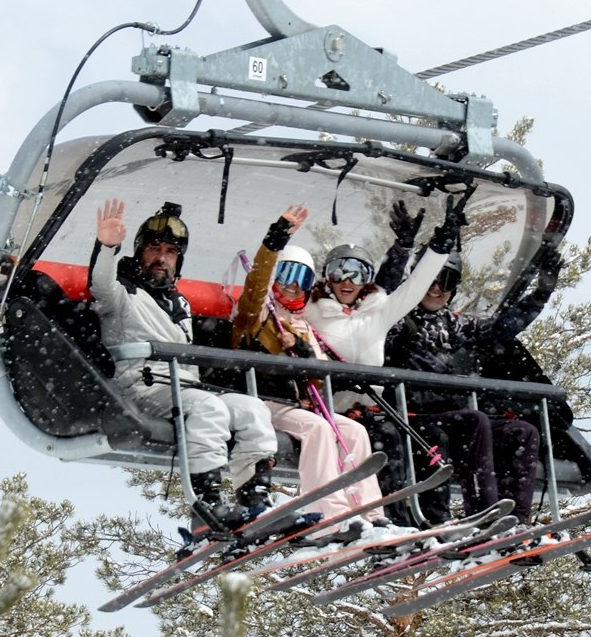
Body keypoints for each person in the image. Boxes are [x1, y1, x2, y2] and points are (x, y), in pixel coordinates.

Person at [90, 198, 281, 530]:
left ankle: (254, 497)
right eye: (154, 249)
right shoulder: (122, 293)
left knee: (253, 410)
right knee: (210, 409)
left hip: (185, 389)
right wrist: (107, 247)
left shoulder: (180, 304)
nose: (162, 258)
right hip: (142, 388)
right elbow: (100, 283)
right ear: (139, 252)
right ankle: (207, 505)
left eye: (171, 252)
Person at [301, 198, 464, 523]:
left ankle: (426, 519)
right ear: (327, 277)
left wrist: (442, 243)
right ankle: (389, 519)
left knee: (418, 437)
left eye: (357, 273)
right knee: (385, 439)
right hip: (331, 410)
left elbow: (415, 286)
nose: (347, 281)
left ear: (367, 281)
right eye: (339, 272)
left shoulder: (376, 315)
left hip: (371, 410)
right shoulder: (310, 313)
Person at [232, 205, 387, 535]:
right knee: (318, 430)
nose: (291, 286)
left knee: (354, 432)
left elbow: (317, 377)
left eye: (300, 280)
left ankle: (368, 510)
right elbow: (257, 284)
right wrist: (276, 239)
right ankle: (326, 511)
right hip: (264, 402)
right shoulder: (256, 316)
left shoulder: (302, 326)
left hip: (296, 405)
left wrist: (302, 352)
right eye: (285, 276)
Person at [383, 245, 565, 525]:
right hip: (415, 415)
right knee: (474, 420)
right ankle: (484, 515)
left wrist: (541, 294)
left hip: (453, 418)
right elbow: (382, 292)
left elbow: (503, 327)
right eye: (431, 280)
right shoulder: (395, 315)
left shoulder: (453, 325)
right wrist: (401, 249)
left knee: (522, 432)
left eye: (447, 282)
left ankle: (516, 520)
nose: (437, 289)